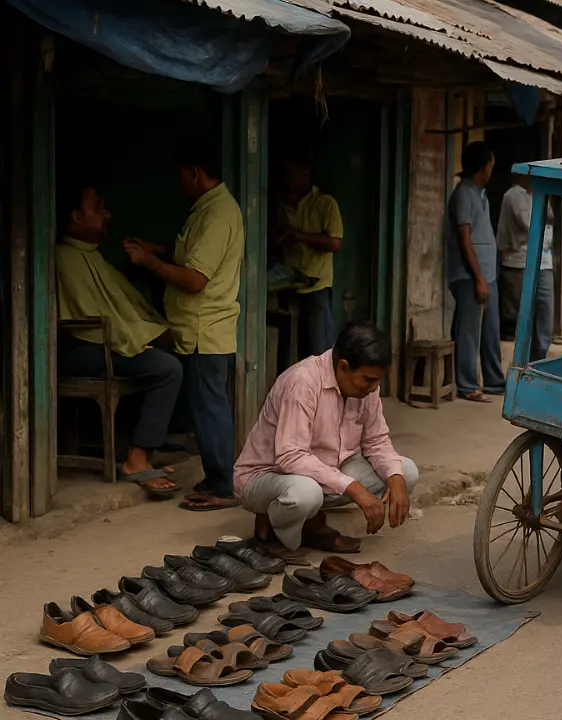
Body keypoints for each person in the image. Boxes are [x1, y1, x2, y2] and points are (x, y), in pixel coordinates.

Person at [124, 141, 244, 512]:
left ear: (195, 173)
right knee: (206, 406)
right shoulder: (207, 210)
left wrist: (148, 262)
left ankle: (224, 486)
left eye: (181, 176)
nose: (179, 183)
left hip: (203, 328)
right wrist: (157, 249)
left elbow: (194, 279)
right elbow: (192, 258)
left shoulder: (218, 214)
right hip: (198, 329)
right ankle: (218, 476)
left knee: (210, 409)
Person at [235, 321, 419, 553]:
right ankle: (280, 522)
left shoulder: (367, 387)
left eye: (378, 380)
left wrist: (395, 478)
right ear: (343, 367)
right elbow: (290, 456)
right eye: (368, 380)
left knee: (405, 472)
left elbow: (376, 441)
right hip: (268, 475)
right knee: (305, 494)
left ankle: (306, 518)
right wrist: (354, 488)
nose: (374, 388)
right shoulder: (302, 382)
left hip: (327, 469)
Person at [55, 182, 183, 497]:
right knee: (166, 368)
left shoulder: (91, 255)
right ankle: (136, 460)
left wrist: (144, 333)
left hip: (103, 342)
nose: (107, 213)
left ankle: (144, 448)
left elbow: (123, 306)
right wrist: (135, 338)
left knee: (179, 349)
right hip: (78, 347)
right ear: (74, 216)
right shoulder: (63, 257)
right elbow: (83, 319)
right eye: (98, 207)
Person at [446, 141, 504, 402]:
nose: (492, 169)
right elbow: (464, 238)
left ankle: (493, 380)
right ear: (484, 167)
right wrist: (479, 278)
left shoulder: (481, 194)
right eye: (491, 164)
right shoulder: (463, 194)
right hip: (470, 276)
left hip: (486, 275)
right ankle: (467, 384)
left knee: (491, 327)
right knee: (469, 330)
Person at [276, 150, 343, 357]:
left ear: (305, 173)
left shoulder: (325, 203)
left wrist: (300, 236)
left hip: (316, 286)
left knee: (317, 352)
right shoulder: (281, 203)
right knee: (286, 351)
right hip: (287, 283)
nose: (287, 177)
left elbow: (335, 243)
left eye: (291, 172)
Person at [497, 172, 556, 359]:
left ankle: (537, 363)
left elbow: (551, 219)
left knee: (545, 318)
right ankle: (522, 366)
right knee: (523, 319)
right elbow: (530, 224)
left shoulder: (540, 195)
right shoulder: (514, 195)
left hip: (544, 263)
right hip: (520, 263)